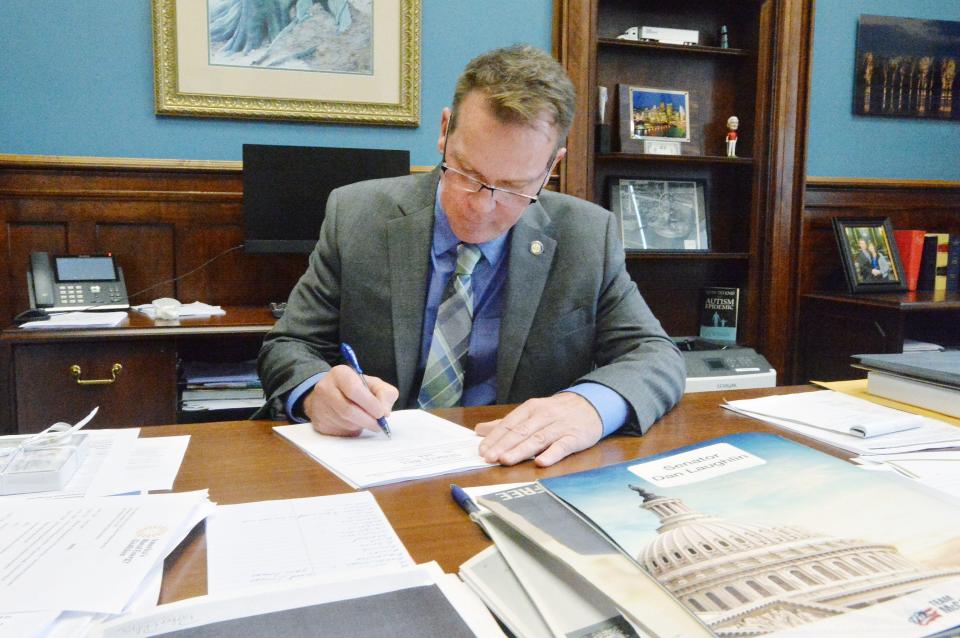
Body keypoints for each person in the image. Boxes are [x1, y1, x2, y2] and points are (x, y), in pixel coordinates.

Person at [256, 44, 685, 467]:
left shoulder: (587, 235)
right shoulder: (357, 214)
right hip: (372, 463)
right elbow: (289, 344)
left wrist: (589, 406)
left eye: (514, 188)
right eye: (467, 174)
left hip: (513, 468)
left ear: (551, 168)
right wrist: (315, 392)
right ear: (445, 131)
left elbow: (655, 354)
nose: (481, 207)